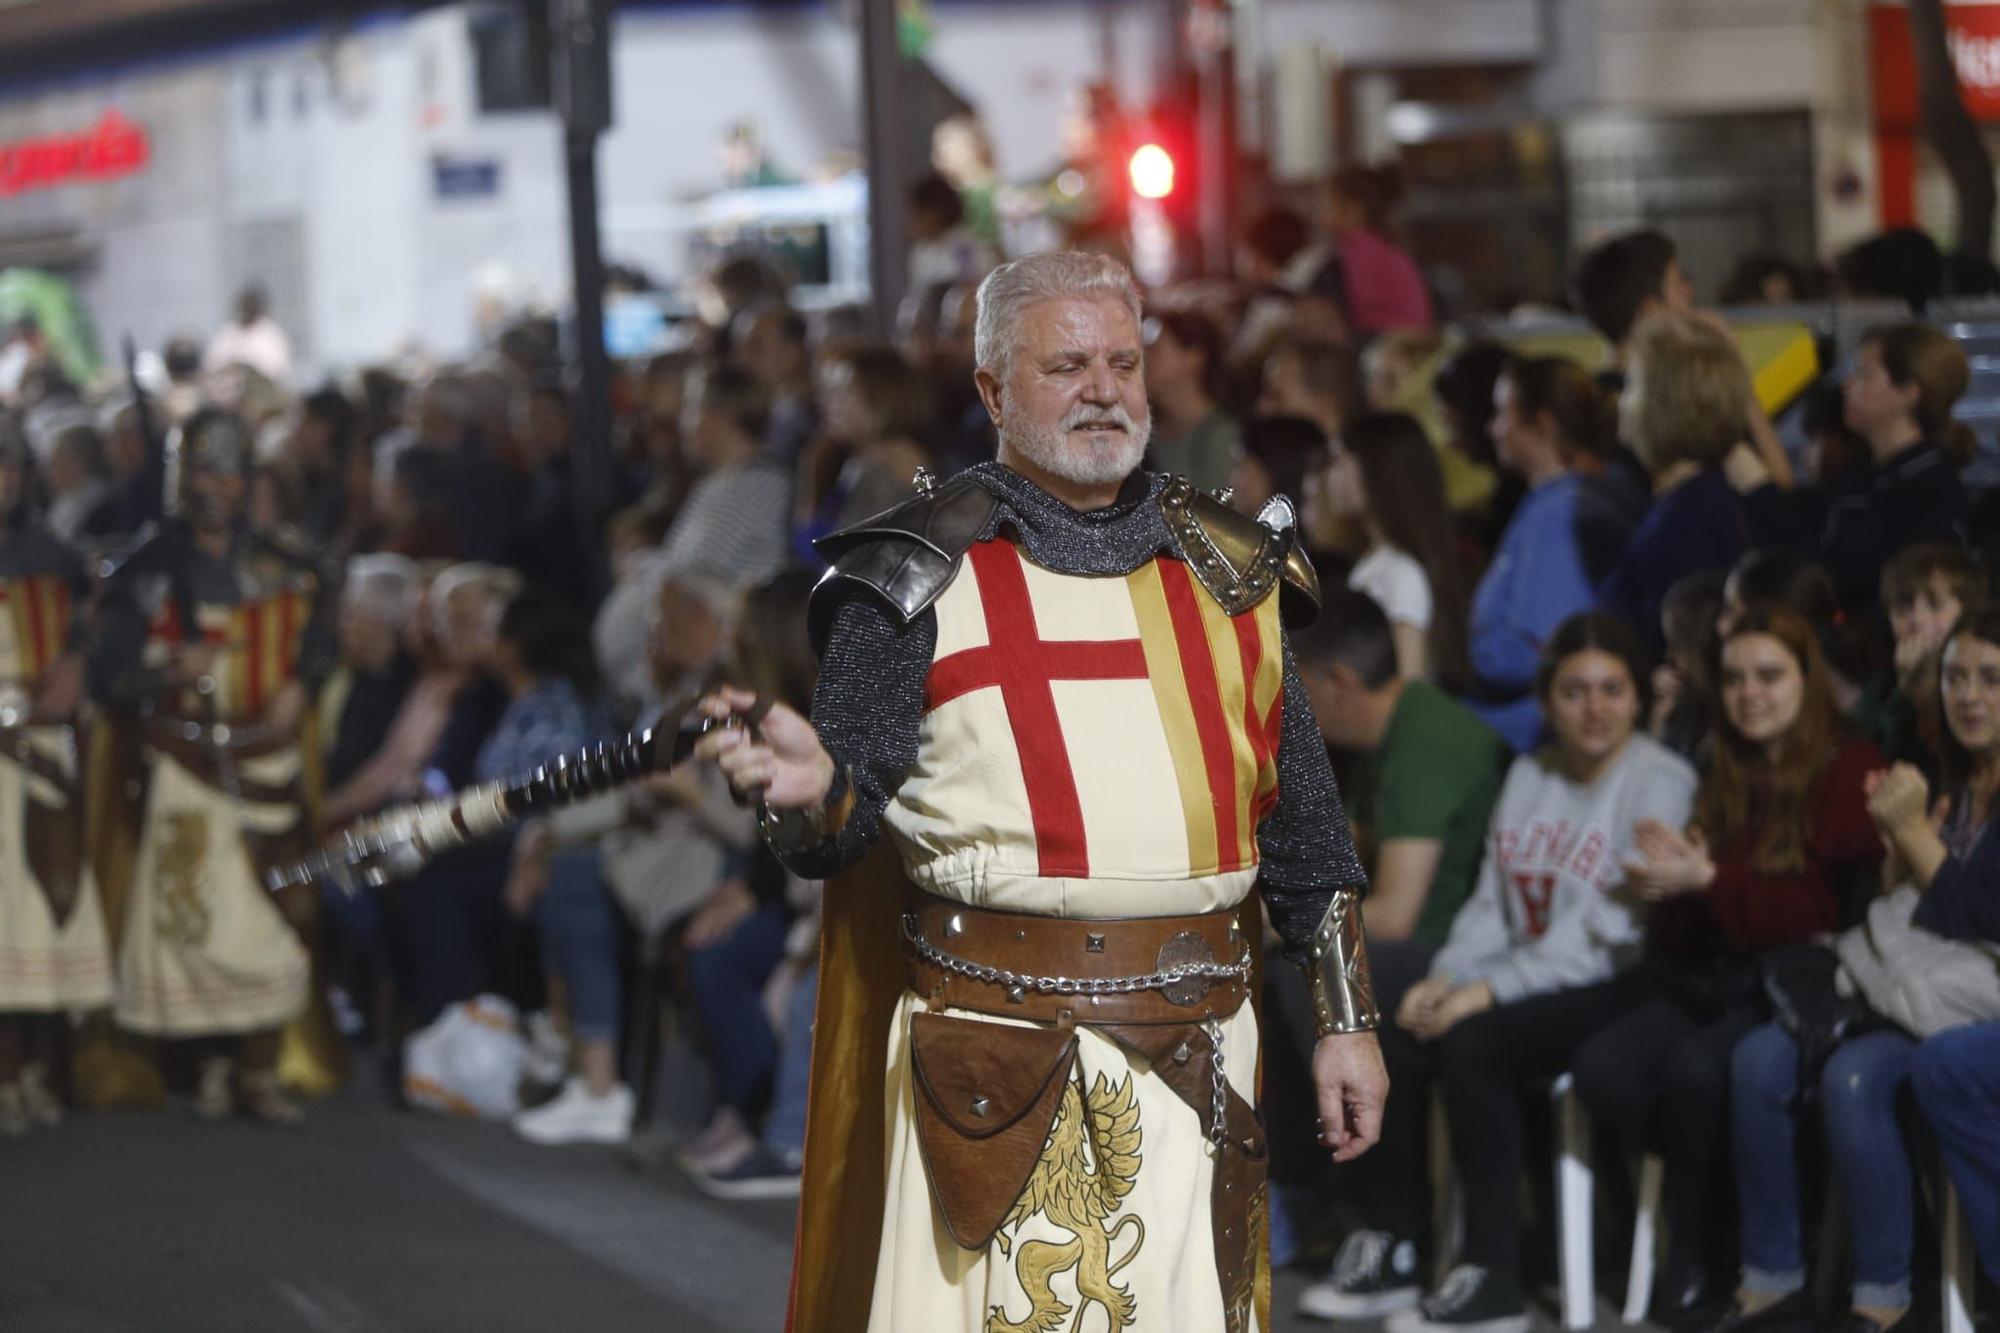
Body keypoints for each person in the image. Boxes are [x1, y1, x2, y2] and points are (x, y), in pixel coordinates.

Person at [695, 250, 1386, 1333]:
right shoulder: (912, 573)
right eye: (1065, 365)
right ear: (991, 392)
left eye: (1121, 360)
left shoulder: (1231, 571)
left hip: (1204, 1051)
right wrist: (809, 787)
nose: (1103, 389)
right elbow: (838, 835)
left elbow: (1301, 824)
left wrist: (1346, 1022)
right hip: (991, 1063)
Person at [1299, 614, 1696, 1329]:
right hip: (1526, 974)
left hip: (1619, 981)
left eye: (1612, 689)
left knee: (1474, 1040)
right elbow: (1493, 901)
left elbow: (1610, 933)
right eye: (1574, 691)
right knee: (1398, 1005)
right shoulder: (1532, 773)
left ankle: (1493, 1277)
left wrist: (1485, 992)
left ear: (1638, 698)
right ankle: (1401, 1241)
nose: (1594, 707)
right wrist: (1446, 978)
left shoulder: (1660, 780)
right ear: (1547, 700)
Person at [1571, 607, 1884, 1325]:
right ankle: (1684, 1219)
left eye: (1770, 675)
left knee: (1699, 1071)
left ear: (1808, 679)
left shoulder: (1850, 765)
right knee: (1604, 1065)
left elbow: (1817, 914)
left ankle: (1704, 1255)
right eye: (1736, 677)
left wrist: (1706, 878)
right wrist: (1669, 882)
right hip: (1721, 972)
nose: (1750, 693)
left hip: (1804, 981)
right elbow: (1697, 920)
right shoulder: (1730, 765)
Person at [1718, 606, 2000, 1333]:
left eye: (1992, 678)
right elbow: (1894, 899)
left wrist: (1909, 832)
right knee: (1756, 1058)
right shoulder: (1955, 776)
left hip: (1967, 1003)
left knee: (1853, 1077)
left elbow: (1978, 915)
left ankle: (1884, 1297)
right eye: (1957, 677)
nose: (1970, 695)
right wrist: (1900, 843)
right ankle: (1772, 1280)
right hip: (1903, 978)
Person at [90, 408, 335, 1123]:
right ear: (181, 478)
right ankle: (208, 1063)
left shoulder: (284, 567)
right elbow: (107, 675)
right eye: (203, 471)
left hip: (267, 759)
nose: (217, 487)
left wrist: (304, 684)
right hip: (184, 762)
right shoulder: (145, 570)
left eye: (229, 473)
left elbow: (320, 636)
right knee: (195, 923)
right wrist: (168, 661)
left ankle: (259, 1068)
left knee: (278, 913)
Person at [0, 418, 111, 1135]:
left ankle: (33, 1068)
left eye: (9, 468)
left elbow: (85, 638)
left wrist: (77, 666)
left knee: (47, 910)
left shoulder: (56, 555)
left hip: (41, 746)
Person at [1295, 588, 1509, 951]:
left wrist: (1283, 918)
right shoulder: (1380, 737)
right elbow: (1340, 858)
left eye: (1300, 692)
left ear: (1339, 682)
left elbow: (1394, 917)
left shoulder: (1426, 742)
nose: (1290, 712)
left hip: (1445, 954)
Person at [1733, 323, 1973, 616]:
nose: (1848, 384)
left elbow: (1820, 571)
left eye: (1864, 373)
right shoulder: (1869, 476)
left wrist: (1755, 486)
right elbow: (1796, 508)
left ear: (1907, 394)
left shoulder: (1924, 491)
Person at [1468, 356, 1623, 750]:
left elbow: (1546, 649)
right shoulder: (1548, 506)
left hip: (1528, 738)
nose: (1493, 429)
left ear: (1542, 425)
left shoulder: (1563, 515)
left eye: (1503, 414)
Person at [1598, 312, 1750, 654]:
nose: (1620, 401)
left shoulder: (1688, 522)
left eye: (1632, 385)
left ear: (1667, 403)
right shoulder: (1691, 503)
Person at [1322, 411, 1470, 690]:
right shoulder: (1377, 562)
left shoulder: (1402, 573)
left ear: (1376, 469)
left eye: (1340, 461)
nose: (1331, 477)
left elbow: (1409, 685)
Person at [1311, 164, 1435, 337]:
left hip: (1392, 345)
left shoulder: (1360, 251)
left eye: (1325, 204)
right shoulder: (1381, 247)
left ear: (1354, 210)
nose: (1318, 214)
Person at [1571, 229, 1696, 390]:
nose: (1689, 290)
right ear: (1650, 312)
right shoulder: (1666, 402)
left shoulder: (1595, 399)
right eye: (1679, 283)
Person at [1146, 309, 1243, 496]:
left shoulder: (1222, 439)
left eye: (1155, 350)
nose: (1143, 360)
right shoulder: (1144, 433)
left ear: (1193, 359)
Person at [202, 286, 293, 389]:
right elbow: (212, 364)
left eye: (251, 307)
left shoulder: (271, 334)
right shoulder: (228, 332)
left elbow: (277, 369)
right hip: (228, 393)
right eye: (245, 307)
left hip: (262, 394)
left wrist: (247, 369)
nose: (247, 310)